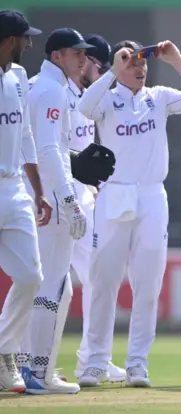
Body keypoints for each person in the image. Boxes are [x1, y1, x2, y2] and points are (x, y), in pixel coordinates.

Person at [77, 40, 181, 388]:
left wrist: (177, 59)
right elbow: (83, 108)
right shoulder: (105, 98)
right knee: (104, 280)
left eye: (142, 63)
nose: (139, 69)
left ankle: (137, 363)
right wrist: (112, 70)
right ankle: (95, 361)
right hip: (114, 194)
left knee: (148, 284)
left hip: (152, 196)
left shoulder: (160, 97)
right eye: (131, 63)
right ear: (117, 66)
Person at [21, 28, 94, 395]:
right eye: (74, 53)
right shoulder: (51, 90)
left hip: (36, 193)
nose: (82, 58)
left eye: (83, 53)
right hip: (51, 197)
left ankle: (21, 366)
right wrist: (69, 200)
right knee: (55, 285)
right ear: (56, 56)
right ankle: (39, 373)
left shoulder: (36, 85)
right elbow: (49, 151)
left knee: (34, 284)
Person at [67, 33, 126, 384]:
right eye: (98, 66)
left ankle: (92, 358)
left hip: (82, 198)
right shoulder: (57, 92)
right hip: (56, 197)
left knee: (97, 277)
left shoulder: (83, 97)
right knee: (45, 282)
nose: (98, 72)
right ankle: (21, 357)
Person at [0, 10, 51, 394]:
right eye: (24, 38)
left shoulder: (18, 77)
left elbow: (27, 136)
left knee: (32, 276)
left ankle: (4, 354)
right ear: (9, 40)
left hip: (14, 187)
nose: (29, 44)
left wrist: (38, 190)